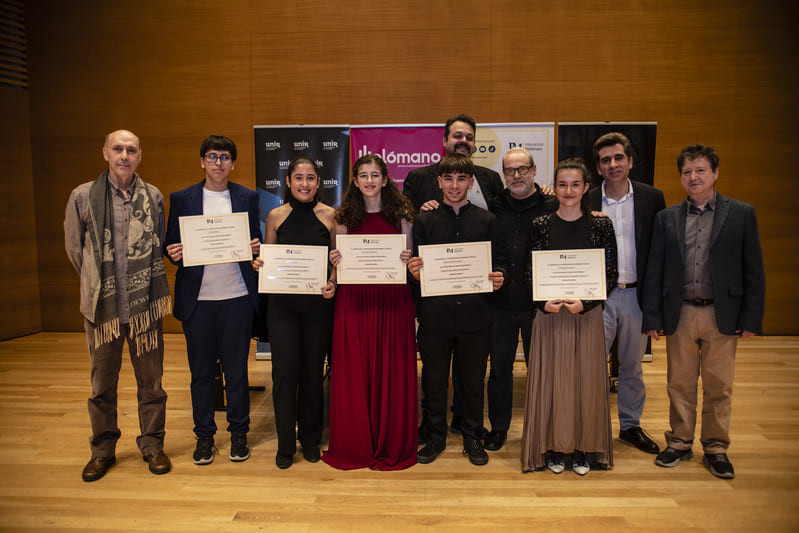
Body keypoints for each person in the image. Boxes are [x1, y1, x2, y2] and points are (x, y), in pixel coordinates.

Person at [643, 145, 765, 479]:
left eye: (700, 170)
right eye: (687, 172)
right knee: (679, 384)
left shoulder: (741, 213)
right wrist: (652, 316)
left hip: (721, 315)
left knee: (718, 386)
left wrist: (751, 319)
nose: (693, 177)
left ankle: (715, 447)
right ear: (680, 176)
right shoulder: (666, 218)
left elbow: (754, 268)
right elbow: (655, 269)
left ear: (715, 173)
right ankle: (680, 442)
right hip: (679, 313)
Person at [64, 129, 172, 482]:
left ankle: (153, 445)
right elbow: (75, 251)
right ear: (105, 154)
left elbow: (156, 246)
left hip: (145, 307)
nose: (124, 155)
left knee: (151, 382)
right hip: (102, 311)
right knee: (102, 385)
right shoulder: (82, 197)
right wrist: (100, 286)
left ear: (140, 156)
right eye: (118, 149)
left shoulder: (153, 196)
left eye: (131, 150)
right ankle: (102, 450)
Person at [404, 113, 504, 439]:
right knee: (433, 379)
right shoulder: (425, 219)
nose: (455, 185)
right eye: (449, 180)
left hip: (475, 312)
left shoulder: (487, 219)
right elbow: (416, 258)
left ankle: (472, 435)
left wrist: (498, 274)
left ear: (471, 183)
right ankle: (434, 435)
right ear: (439, 181)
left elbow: (498, 257)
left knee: (473, 380)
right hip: (435, 313)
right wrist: (415, 272)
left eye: (462, 180)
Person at [164, 135, 262, 465]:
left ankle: (238, 434)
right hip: (199, 302)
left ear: (233, 164)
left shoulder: (247, 197)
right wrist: (173, 253)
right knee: (201, 375)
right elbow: (173, 245)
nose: (218, 162)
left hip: (236, 297)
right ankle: (204, 436)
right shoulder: (182, 198)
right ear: (202, 161)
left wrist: (255, 249)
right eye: (211, 156)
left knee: (237, 374)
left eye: (224, 157)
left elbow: (255, 242)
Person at [521, 158, 618, 476]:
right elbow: (528, 273)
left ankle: (581, 448)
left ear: (586, 187)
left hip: (585, 316)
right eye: (562, 184)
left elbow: (610, 274)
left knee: (584, 383)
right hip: (549, 316)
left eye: (575, 184)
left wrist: (586, 303)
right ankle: (551, 447)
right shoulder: (540, 225)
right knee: (551, 383)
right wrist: (542, 301)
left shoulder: (601, 225)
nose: (568, 190)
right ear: (555, 187)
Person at [321, 154, 418, 470]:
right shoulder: (343, 218)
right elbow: (337, 270)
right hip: (355, 302)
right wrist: (334, 270)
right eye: (363, 175)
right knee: (356, 372)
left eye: (375, 175)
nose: (370, 181)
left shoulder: (404, 216)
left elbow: (413, 264)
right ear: (355, 180)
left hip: (393, 301)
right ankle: (357, 442)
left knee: (391, 370)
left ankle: (391, 440)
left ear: (386, 179)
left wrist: (408, 258)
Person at [254, 156, 337, 469]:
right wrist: (260, 264)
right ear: (288, 182)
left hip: (317, 307)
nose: (305, 183)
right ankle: (286, 442)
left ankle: (312, 440)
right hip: (283, 308)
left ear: (318, 182)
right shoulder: (275, 216)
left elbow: (336, 260)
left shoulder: (331, 216)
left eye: (311, 178)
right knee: (285, 375)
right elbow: (269, 258)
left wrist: (332, 281)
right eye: (299, 178)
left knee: (313, 374)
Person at [587, 132, 666, 455]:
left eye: (619, 158)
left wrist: (657, 304)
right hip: (599, 298)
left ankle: (630, 426)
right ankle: (592, 428)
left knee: (632, 366)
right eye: (606, 160)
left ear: (630, 161)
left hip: (636, 296)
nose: (613, 164)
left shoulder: (651, 198)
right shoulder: (588, 199)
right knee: (592, 367)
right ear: (598, 167)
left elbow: (660, 251)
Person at [484, 148, 557, 452]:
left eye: (522, 169)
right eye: (510, 170)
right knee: (500, 371)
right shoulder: (494, 206)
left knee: (541, 372)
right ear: (504, 174)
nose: (516, 175)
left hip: (538, 307)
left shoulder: (552, 205)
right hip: (500, 304)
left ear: (534, 170)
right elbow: (491, 250)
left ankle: (542, 429)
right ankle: (499, 428)